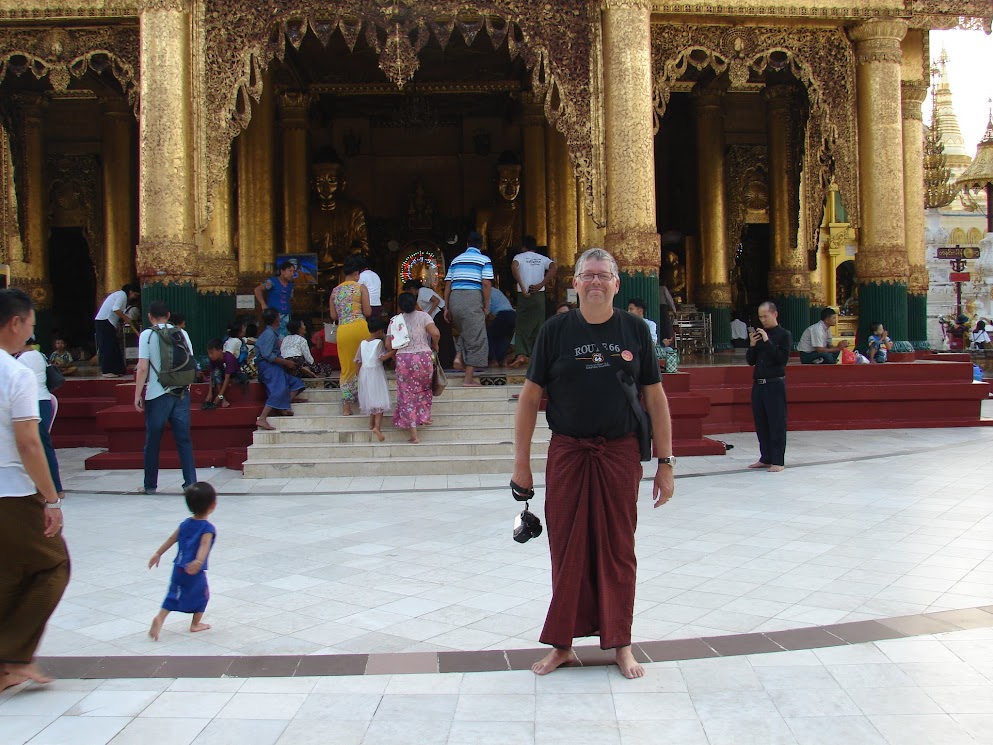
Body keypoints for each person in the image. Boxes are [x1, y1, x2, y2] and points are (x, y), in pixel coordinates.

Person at [512, 248, 675, 680]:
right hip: (568, 453)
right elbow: (529, 399)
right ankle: (562, 646)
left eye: (605, 275)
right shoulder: (555, 331)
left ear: (617, 284)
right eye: (589, 275)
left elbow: (655, 397)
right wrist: (521, 465)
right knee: (565, 549)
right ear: (576, 283)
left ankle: (621, 643)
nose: (597, 282)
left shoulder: (635, 330)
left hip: (618, 454)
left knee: (618, 548)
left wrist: (666, 462)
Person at [0, 288, 68, 691]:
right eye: (30, 324)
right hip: (10, 491)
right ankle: (11, 656)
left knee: (9, 573)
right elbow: (28, 442)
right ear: (15, 322)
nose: (31, 333)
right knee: (54, 564)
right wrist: (51, 498)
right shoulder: (16, 373)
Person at [134, 300, 197, 494]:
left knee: (153, 441)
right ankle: (190, 483)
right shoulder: (182, 333)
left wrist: (137, 394)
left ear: (150, 317)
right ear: (168, 315)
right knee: (184, 440)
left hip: (156, 393)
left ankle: (150, 485)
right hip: (180, 392)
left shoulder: (147, 335)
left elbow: (143, 367)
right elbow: (190, 363)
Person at [147, 482, 217, 641]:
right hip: (194, 570)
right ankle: (195, 624)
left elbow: (172, 539)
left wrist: (158, 553)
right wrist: (198, 562)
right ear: (213, 504)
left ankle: (160, 618)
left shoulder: (185, 523)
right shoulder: (207, 528)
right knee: (203, 596)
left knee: (173, 594)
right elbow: (204, 546)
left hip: (178, 567)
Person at [746, 301, 792, 473]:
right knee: (761, 422)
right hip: (759, 384)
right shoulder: (759, 336)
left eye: (765, 316)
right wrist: (752, 345)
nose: (762, 320)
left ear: (774, 314)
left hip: (775, 383)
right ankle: (765, 457)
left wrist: (767, 341)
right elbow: (751, 361)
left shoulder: (784, 335)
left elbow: (781, 359)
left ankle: (778, 459)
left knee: (776, 422)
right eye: (760, 317)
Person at [389, 292, 440, 444]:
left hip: (404, 358)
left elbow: (388, 344)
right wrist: (435, 345)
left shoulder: (394, 320)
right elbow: (435, 333)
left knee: (406, 394)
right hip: (424, 357)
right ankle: (424, 417)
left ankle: (414, 435)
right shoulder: (424, 316)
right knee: (424, 389)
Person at [444, 231, 493, 387]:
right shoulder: (484, 260)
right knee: (478, 337)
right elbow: (486, 284)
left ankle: (458, 357)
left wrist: (446, 307)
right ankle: (468, 379)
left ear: (467, 244)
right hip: (472, 299)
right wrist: (486, 305)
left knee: (466, 331)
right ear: (482, 245)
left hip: (454, 300)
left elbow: (447, 285)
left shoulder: (456, 260)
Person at [17, 339, 64, 503]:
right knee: (45, 445)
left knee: (37, 446)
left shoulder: (22, 359)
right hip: (44, 401)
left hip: (33, 403)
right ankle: (56, 487)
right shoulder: (40, 355)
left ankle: (48, 489)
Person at [329, 255, 372, 415]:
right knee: (364, 365)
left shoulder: (335, 291)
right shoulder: (361, 288)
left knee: (347, 368)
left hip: (344, 330)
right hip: (360, 328)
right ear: (356, 274)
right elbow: (367, 311)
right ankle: (364, 401)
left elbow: (333, 316)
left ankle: (347, 407)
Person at [254, 308, 308, 430]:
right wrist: (286, 362)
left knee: (296, 383)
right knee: (279, 390)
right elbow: (267, 355)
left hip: (276, 366)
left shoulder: (272, 333)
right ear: (276, 319)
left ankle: (284, 406)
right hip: (269, 367)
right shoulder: (269, 334)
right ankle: (262, 418)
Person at [510, 236, 556, 367]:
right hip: (539, 295)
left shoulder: (519, 257)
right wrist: (542, 284)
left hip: (524, 294)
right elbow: (553, 267)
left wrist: (522, 286)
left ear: (523, 247)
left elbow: (514, 267)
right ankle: (535, 356)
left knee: (521, 325)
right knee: (538, 325)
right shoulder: (542, 259)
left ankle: (521, 354)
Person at [356, 317, 393, 442]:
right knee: (379, 399)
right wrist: (393, 352)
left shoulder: (362, 343)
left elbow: (358, 360)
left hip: (364, 372)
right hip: (375, 372)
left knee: (371, 398)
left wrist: (358, 375)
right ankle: (377, 427)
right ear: (379, 331)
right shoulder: (379, 343)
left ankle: (371, 422)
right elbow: (381, 358)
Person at [405, 278, 454, 369]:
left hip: (439, 314)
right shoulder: (419, 296)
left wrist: (429, 313)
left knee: (443, 339)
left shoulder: (423, 291)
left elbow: (436, 300)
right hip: (435, 317)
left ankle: (447, 362)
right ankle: (445, 362)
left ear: (412, 288)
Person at [94, 283, 140, 377]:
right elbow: (115, 309)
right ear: (130, 292)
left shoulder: (120, 296)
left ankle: (118, 369)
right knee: (107, 347)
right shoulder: (122, 295)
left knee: (114, 346)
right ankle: (108, 371)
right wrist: (126, 318)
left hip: (109, 323)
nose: (134, 297)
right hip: (104, 321)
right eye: (135, 295)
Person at [253, 261, 295, 338]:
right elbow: (257, 290)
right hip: (274, 315)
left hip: (286, 315)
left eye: (293, 271)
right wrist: (263, 304)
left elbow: (290, 298)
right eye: (290, 271)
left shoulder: (291, 284)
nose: (292, 273)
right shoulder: (272, 281)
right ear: (282, 271)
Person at [202, 338, 248, 410]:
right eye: (208, 353)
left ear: (220, 351)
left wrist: (220, 396)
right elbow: (211, 376)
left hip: (234, 376)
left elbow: (227, 378)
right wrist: (210, 392)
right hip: (222, 375)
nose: (210, 355)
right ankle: (223, 400)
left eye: (211, 352)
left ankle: (221, 398)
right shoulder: (212, 360)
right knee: (216, 373)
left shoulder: (229, 358)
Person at [487, 286, 516, 366]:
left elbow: (487, 309)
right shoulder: (495, 291)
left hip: (503, 314)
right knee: (502, 337)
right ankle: (501, 359)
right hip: (512, 315)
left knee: (489, 335)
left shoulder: (487, 290)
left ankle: (493, 359)